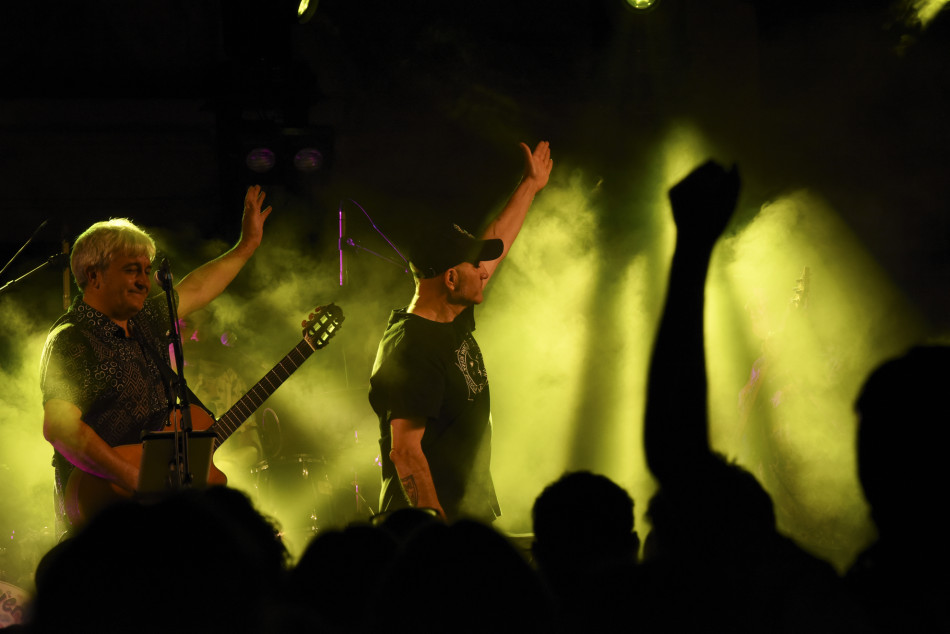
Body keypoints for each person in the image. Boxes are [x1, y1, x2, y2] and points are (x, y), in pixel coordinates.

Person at [39, 185, 272, 535]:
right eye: (131, 270)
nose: (143, 282)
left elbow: (197, 288)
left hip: (157, 519)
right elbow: (60, 428)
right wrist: (133, 477)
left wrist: (246, 246)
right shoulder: (73, 338)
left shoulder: (145, 322)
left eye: (146, 271)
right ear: (94, 274)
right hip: (102, 518)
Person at [368, 140, 553, 523]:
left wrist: (530, 185)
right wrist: (438, 530)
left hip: (465, 517)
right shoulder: (412, 348)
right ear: (451, 278)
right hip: (426, 529)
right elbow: (405, 452)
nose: (485, 272)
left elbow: (499, 238)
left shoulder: (451, 317)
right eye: (475, 266)